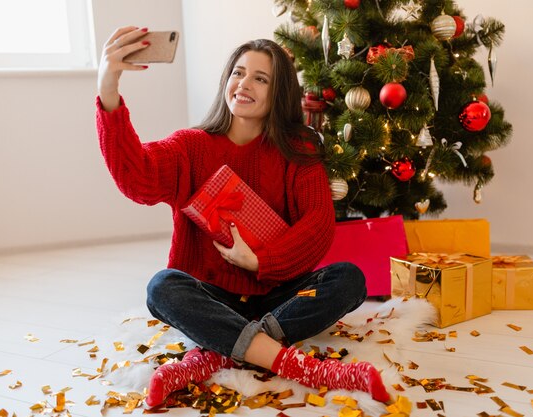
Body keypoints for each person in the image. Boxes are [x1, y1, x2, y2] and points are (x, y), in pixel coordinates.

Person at [96, 26, 390, 407]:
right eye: (238, 72)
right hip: (213, 297)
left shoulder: (298, 148)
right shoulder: (191, 146)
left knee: (349, 279)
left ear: (279, 91)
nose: (244, 83)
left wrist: (260, 260)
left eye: (260, 78)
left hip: (279, 296)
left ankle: (216, 352)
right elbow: (136, 177)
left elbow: (318, 224)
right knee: (161, 287)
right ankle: (301, 366)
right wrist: (109, 85)